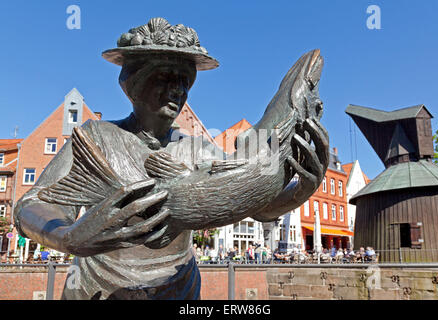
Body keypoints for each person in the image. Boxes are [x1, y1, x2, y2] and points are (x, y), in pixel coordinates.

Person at [13, 17, 329, 300]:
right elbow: (34, 203)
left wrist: (300, 191)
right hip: (97, 289)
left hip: (178, 288)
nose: (177, 89)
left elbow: (252, 203)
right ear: (133, 84)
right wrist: (67, 236)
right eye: (165, 77)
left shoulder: (197, 150)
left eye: (184, 80)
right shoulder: (97, 137)